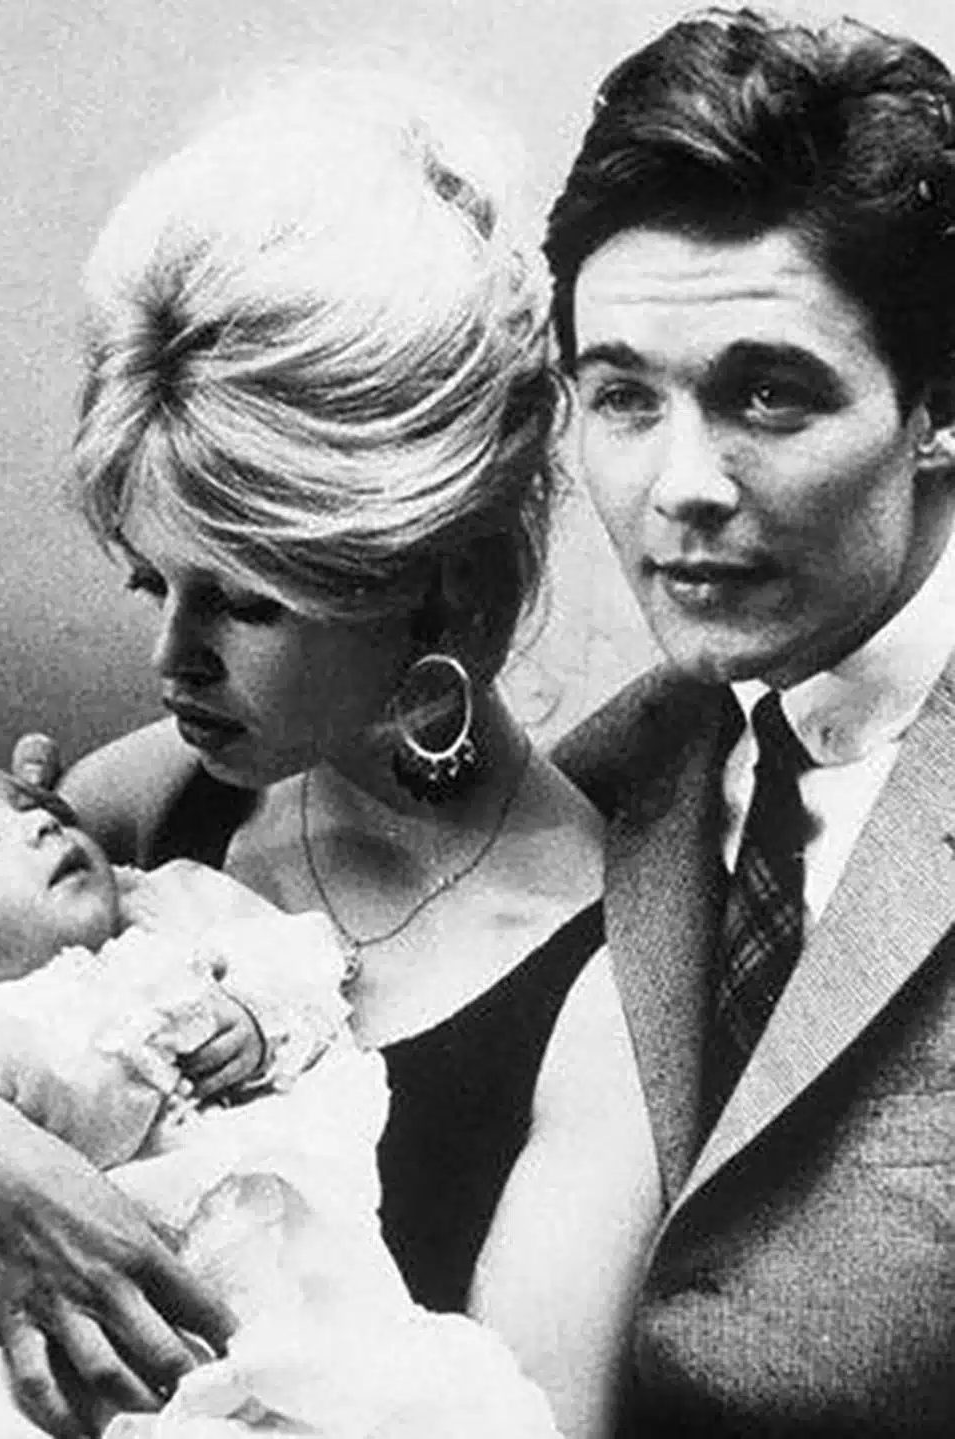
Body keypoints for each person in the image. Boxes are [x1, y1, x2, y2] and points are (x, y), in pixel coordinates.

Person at [0, 71, 658, 1439]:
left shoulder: (598, 1000)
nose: (168, 660)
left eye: (244, 602)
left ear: (435, 583)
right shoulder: (147, 798)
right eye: (151, 582)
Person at [543, 7, 955, 1434]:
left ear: (939, 404)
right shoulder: (621, 765)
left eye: (767, 393)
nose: (681, 484)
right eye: (622, 397)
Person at [0, 757, 562, 1439]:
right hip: (176, 1310)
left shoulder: (168, 902)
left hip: (320, 1265)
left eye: (34, 805)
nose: (37, 826)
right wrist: (158, 1022)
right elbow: (84, 1102)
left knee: (436, 1398)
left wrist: (259, 1018)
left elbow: (305, 961)